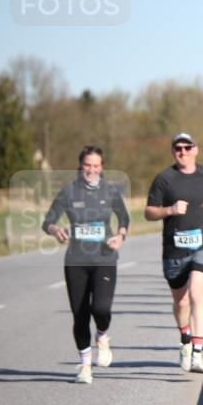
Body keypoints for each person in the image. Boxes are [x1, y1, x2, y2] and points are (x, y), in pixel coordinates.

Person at [43, 146, 130, 384]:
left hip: (104, 258)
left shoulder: (110, 190)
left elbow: (124, 217)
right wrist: (56, 229)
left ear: (102, 167)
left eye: (96, 165)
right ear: (80, 165)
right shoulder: (69, 192)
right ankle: (85, 366)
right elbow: (48, 220)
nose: (91, 169)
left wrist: (121, 235)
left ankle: (102, 335)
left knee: (101, 309)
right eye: (87, 165)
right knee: (80, 315)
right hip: (76, 261)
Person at [144, 133, 203, 374]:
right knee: (181, 301)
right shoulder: (164, 179)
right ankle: (185, 337)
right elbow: (148, 212)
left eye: (188, 147)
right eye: (178, 148)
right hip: (174, 249)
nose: (183, 151)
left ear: (196, 150)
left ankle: (197, 353)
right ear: (173, 151)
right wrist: (169, 209)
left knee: (197, 294)